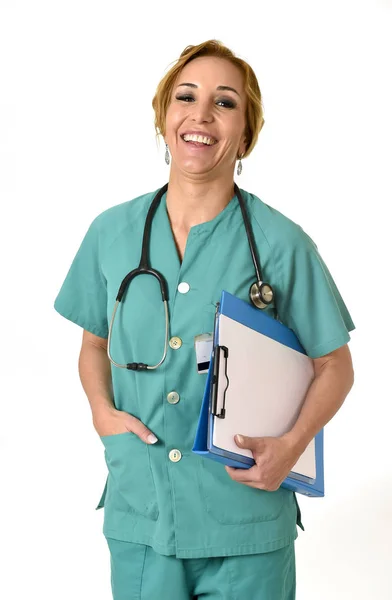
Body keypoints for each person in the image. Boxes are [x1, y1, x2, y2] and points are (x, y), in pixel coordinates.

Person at [54, 39, 355, 600]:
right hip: (141, 510)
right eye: (185, 97)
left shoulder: (281, 244)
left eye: (225, 103)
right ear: (164, 116)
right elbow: (95, 343)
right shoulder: (111, 233)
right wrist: (101, 411)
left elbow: (334, 363)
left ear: (245, 134)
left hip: (245, 521)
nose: (201, 114)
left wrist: (293, 443)